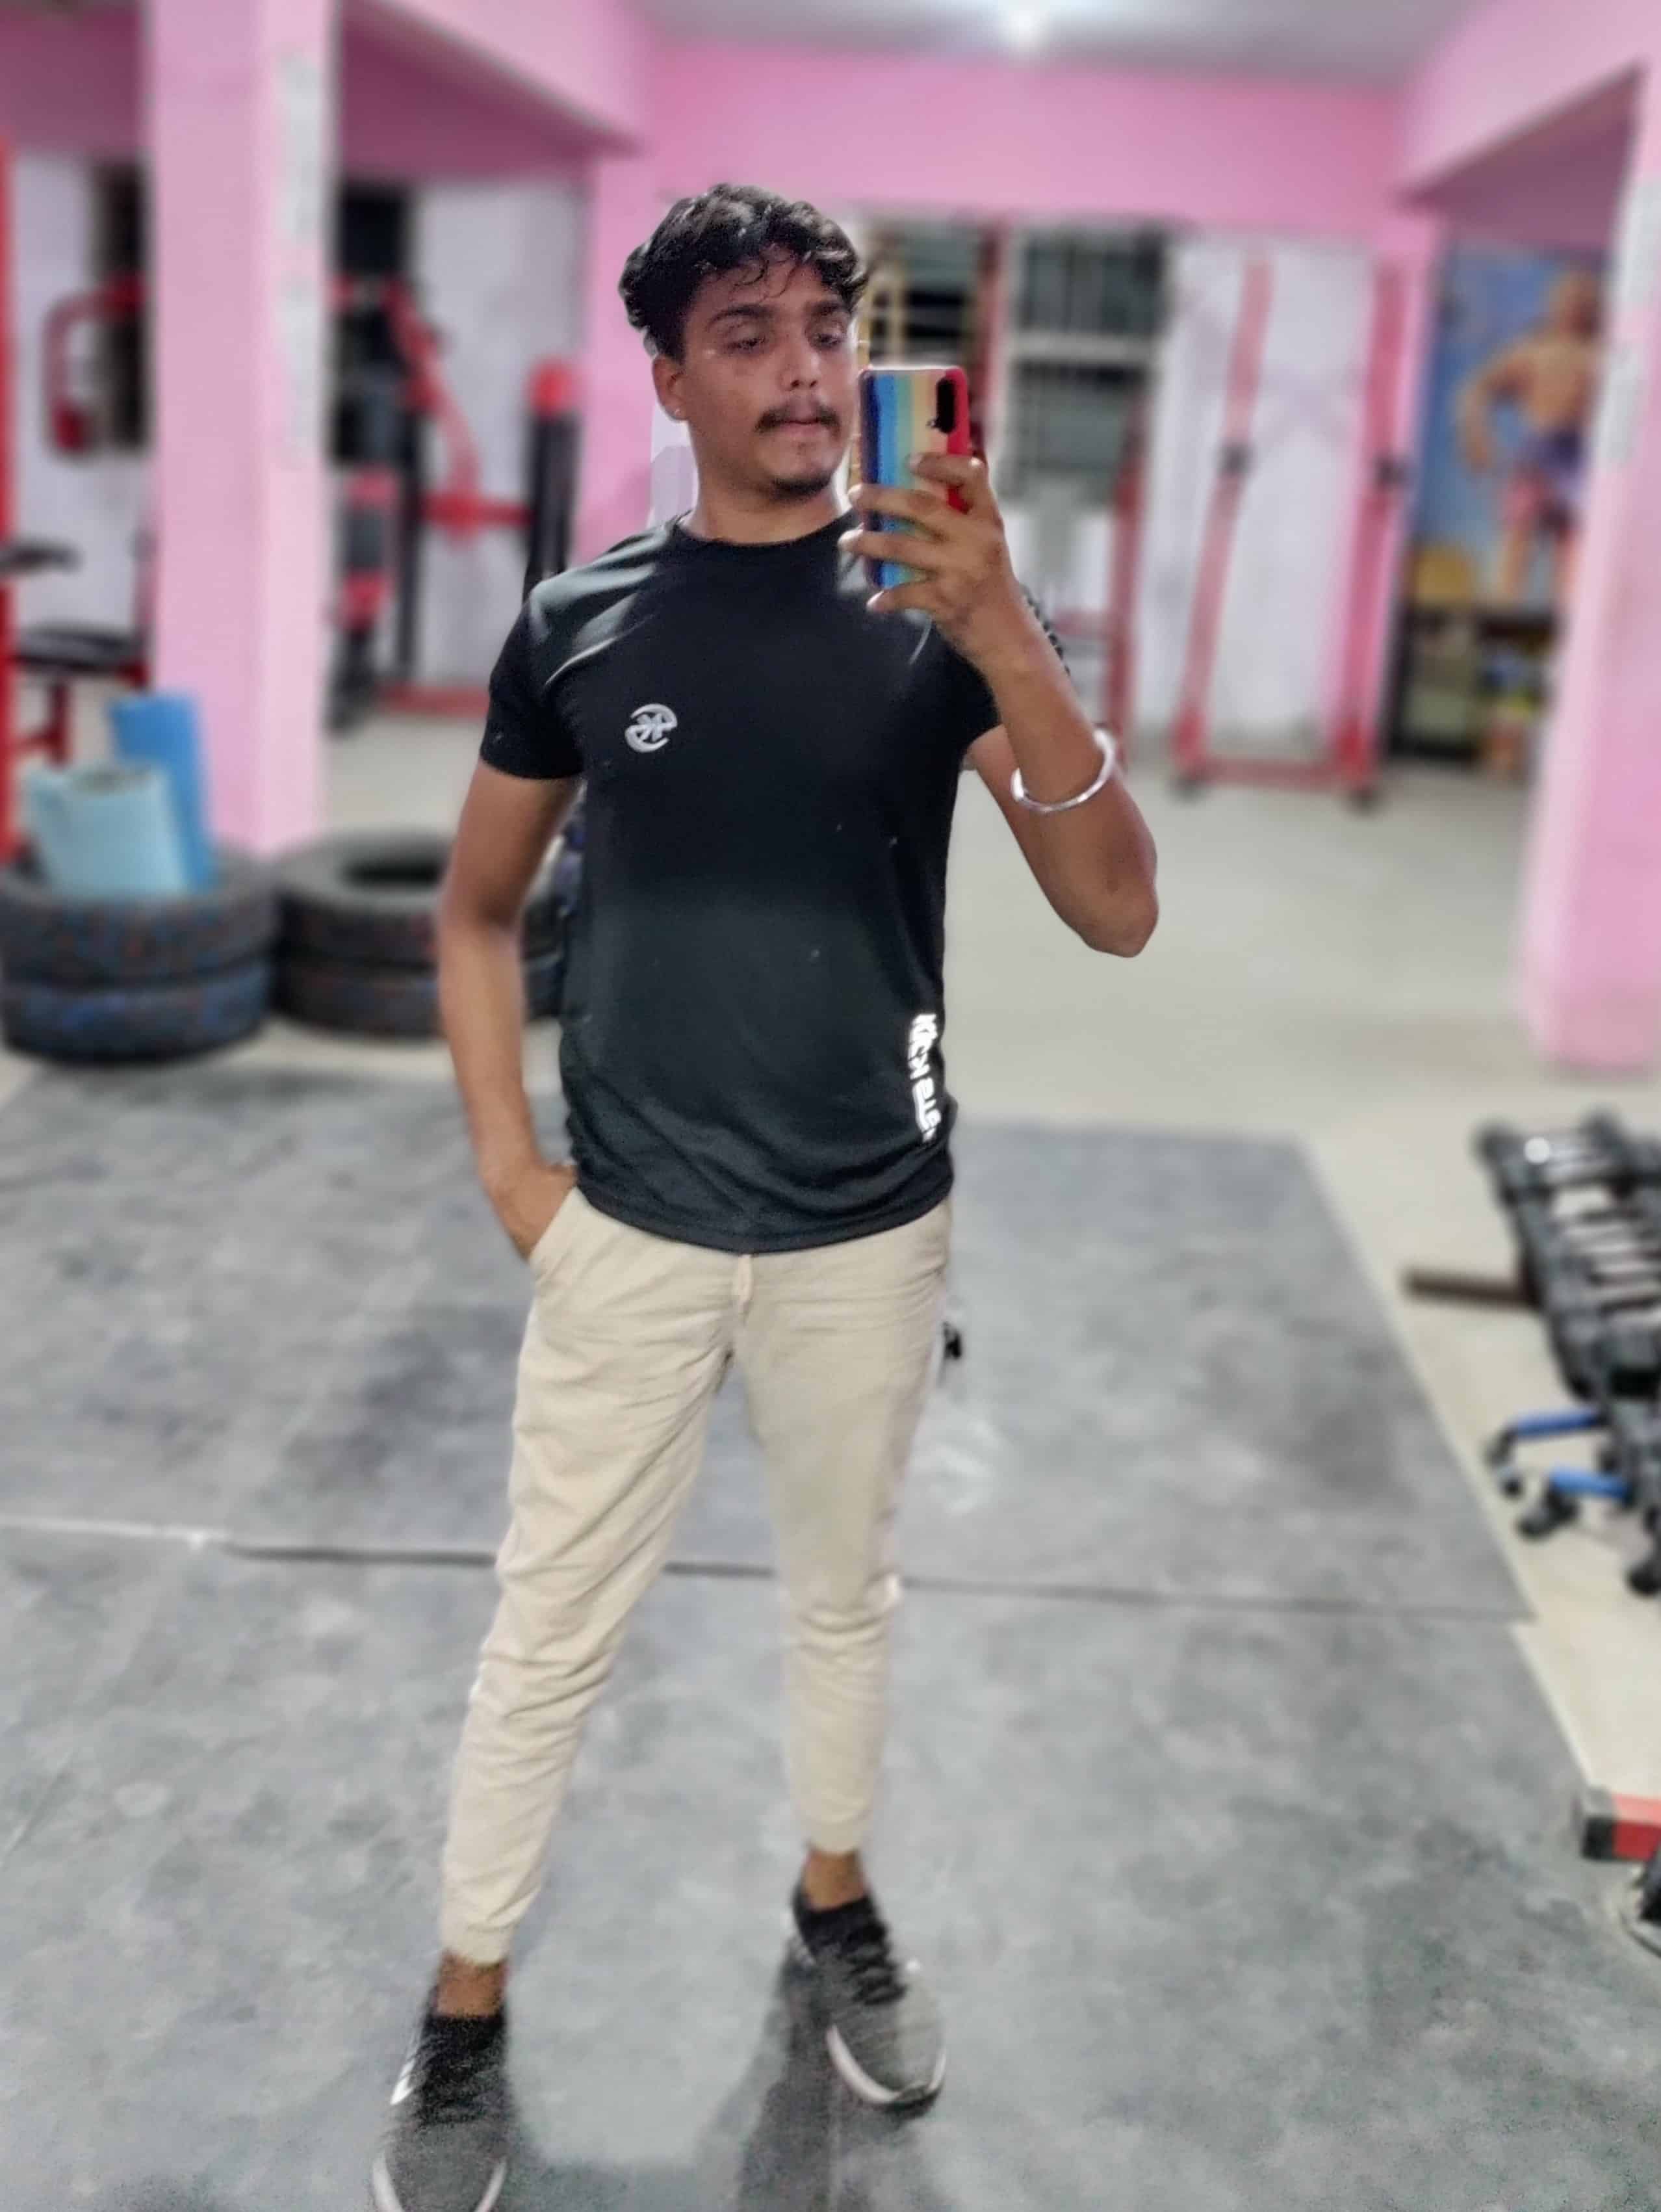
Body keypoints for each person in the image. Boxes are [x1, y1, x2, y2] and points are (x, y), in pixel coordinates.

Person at [371, 183, 1159, 2212]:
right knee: (549, 1629)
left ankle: (834, 1898)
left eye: (827, 327)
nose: (804, 370)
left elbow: (1118, 911)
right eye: (747, 333)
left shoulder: (937, 608)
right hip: (627, 1233)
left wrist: (1002, 629)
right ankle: (464, 2001)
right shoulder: (580, 624)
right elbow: (473, 912)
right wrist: (514, 1173)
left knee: (842, 1596)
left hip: (868, 1231)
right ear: (669, 379)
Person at [1456, 266, 1603, 610]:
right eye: (1568, 299)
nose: (1575, 307)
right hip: (1538, 450)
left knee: (1573, 542)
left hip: (1580, 456)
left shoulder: (1600, 355)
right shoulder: (1531, 351)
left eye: (1583, 301)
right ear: (1554, 304)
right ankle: (1503, 610)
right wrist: (1477, 437)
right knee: (1518, 535)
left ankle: (1571, 619)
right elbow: (1476, 390)